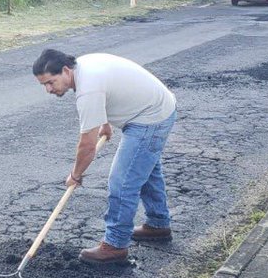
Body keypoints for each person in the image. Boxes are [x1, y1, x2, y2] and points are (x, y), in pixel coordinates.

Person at [33, 49, 177, 264]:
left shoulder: (87, 88)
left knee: (122, 182)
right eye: (44, 85)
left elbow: (87, 145)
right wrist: (105, 122)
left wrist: (76, 174)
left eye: (51, 82)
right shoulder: (83, 68)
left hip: (150, 117)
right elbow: (109, 89)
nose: (48, 89)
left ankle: (115, 246)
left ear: (65, 70)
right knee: (144, 171)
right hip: (157, 106)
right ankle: (158, 225)